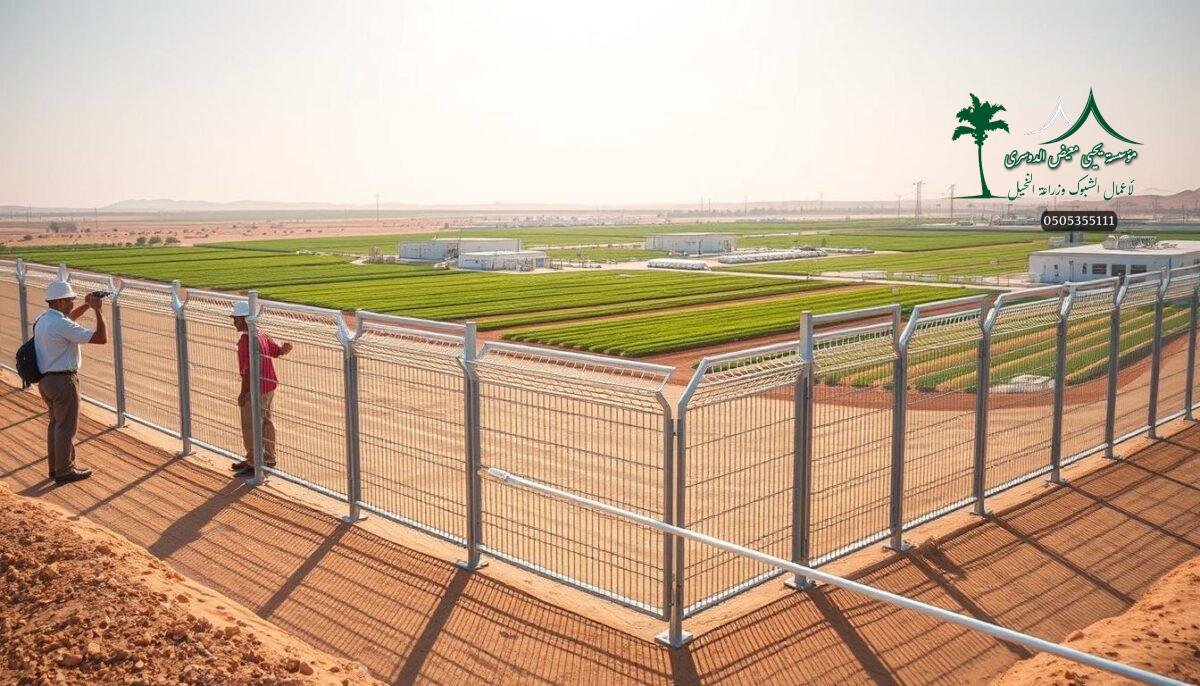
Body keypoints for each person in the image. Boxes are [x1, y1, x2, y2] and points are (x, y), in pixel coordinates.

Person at [34, 280, 108, 483]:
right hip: (63, 381)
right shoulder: (60, 324)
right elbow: (101, 338)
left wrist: (87, 305)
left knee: (56, 425)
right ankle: (65, 470)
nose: (72, 303)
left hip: (46, 381)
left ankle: (55, 468)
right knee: (66, 427)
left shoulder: (43, 319)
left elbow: (69, 319)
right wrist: (98, 310)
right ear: (59, 301)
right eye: (69, 300)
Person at [229, 301, 292, 477]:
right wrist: (285, 348)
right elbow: (277, 351)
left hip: (255, 389)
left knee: (250, 424)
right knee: (266, 422)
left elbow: (246, 372)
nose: (234, 322)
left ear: (246, 319)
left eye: (236, 318)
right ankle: (269, 458)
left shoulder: (245, 342)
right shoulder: (262, 335)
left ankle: (253, 461)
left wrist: (243, 394)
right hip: (269, 386)